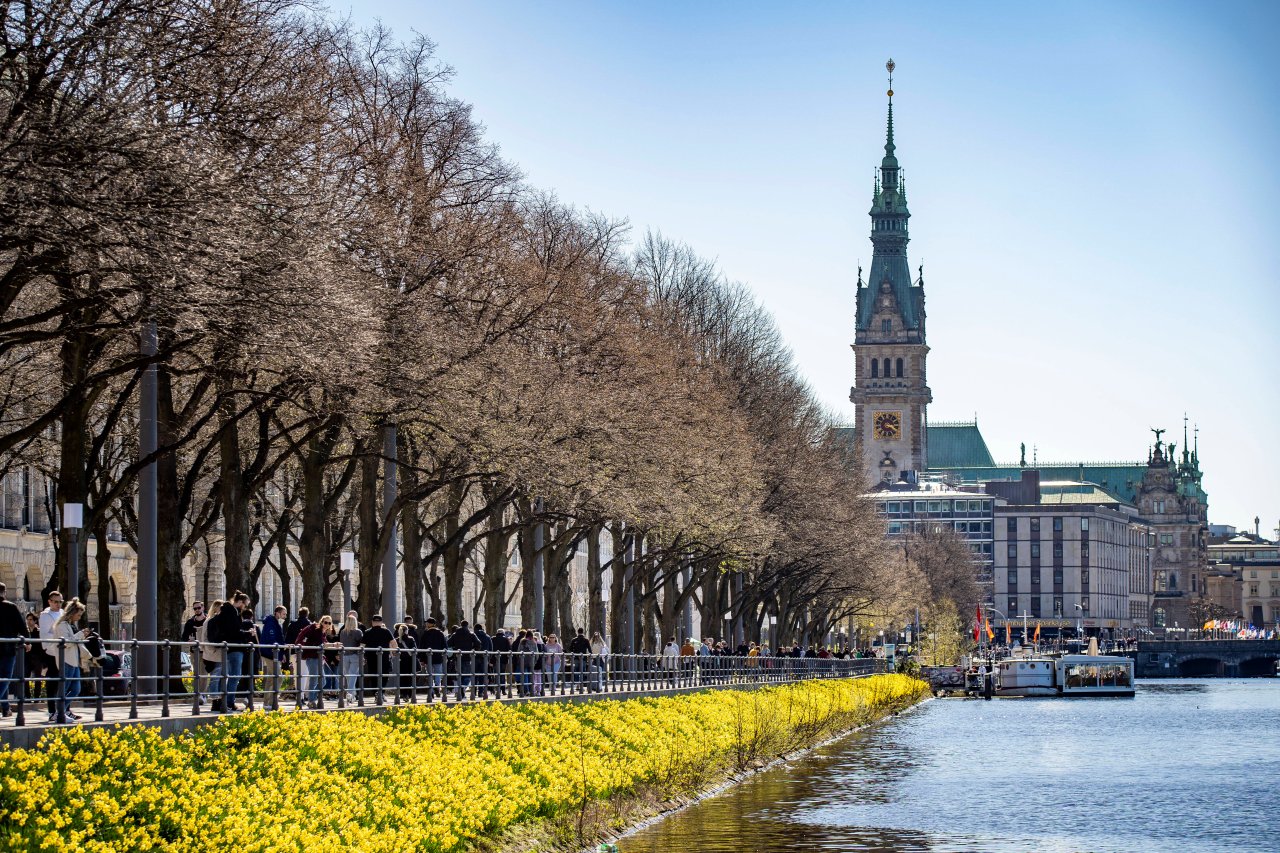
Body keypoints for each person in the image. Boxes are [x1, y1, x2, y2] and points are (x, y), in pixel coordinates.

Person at [51, 598, 89, 723]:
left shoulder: (70, 624)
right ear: (72, 613)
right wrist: (80, 634)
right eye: (78, 615)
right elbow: (67, 642)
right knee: (65, 687)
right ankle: (59, 712)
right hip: (66, 660)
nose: (79, 617)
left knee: (76, 688)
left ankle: (62, 710)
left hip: (73, 660)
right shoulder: (62, 625)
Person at [38, 590, 65, 719]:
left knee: (65, 681)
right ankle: (51, 710)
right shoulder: (45, 615)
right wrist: (59, 637)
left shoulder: (62, 613)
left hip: (64, 651)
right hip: (52, 652)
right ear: (49, 602)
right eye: (55, 602)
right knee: (53, 681)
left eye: (60, 602)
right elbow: (44, 635)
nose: (58, 604)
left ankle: (64, 709)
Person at [0, 583, 25, 717]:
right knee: (5, 677)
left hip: (5, 647)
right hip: (8, 648)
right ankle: (4, 706)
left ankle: (6, 708)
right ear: (4, 592)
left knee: (2, 678)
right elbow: (21, 625)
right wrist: (26, 640)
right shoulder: (10, 607)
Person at [295, 615, 330, 708]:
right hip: (312, 657)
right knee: (314, 680)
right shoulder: (317, 630)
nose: (327, 624)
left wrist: (333, 645)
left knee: (323, 681)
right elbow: (320, 644)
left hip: (318, 658)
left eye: (329, 623)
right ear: (321, 622)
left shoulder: (322, 632)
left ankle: (312, 697)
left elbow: (323, 643)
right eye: (325, 622)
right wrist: (333, 645)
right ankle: (311, 700)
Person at [197, 599, 224, 710]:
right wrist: (210, 650)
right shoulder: (210, 621)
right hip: (214, 653)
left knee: (218, 678)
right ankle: (215, 700)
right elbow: (205, 638)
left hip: (213, 653)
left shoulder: (209, 621)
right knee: (215, 678)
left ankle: (217, 699)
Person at [259, 605, 286, 708]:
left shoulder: (275, 623)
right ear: (277, 613)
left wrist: (281, 653)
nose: (285, 617)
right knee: (278, 677)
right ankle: (271, 701)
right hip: (270, 653)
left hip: (273, 653)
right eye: (283, 614)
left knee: (271, 679)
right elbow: (272, 638)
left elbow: (278, 639)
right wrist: (279, 649)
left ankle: (267, 703)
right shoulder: (271, 622)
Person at [362, 615, 394, 700]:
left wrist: (362, 656)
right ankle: (381, 692)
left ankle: (376, 693)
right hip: (384, 657)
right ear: (381, 622)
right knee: (384, 675)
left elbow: (362, 646)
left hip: (371, 658)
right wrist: (393, 652)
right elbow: (394, 643)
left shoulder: (367, 632)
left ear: (372, 622)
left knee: (373, 675)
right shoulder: (386, 631)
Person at [447, 620, 479, 700]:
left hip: (457, 657)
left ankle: (460, 688)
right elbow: (478, 643)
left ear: (461, 625)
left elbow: (448, 643)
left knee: (459, 675)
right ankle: (463, 688)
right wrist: (473, 649)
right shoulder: (471, 634)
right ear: (467, 625)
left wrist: (455, 647)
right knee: (467, 675)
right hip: (467, 657)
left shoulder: (455, 634)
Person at [419, 618, 447, 698]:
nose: (426, 624)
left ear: (430, 624)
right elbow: (444, 646)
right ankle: (437, 687)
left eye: (427, 623)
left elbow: (422, 646)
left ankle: (431, 689)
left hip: (427, 657)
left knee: (430, 674)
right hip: (438, 656)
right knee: (438, 673)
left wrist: (422, 659)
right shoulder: (440, 633)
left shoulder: (425, 634)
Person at [394, 622, 418, 701]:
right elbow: (415, 649)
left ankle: (402, 693)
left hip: (400, 661)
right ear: (407, 631)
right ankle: (408, 694)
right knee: (409, 677)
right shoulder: (411, 639)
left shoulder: (397, 640)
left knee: (401, 677)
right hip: (409, 660)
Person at [473, 622, 493, 697]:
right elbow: (491, 648)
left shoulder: (474, 635)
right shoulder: (487, 637)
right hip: (484, 657)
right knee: (483, 675)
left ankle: (474, 691)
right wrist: (489, 658)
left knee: (474, 675)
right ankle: (480, 692)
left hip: (474, 657)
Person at [491, 627, 512, 696]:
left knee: (496, 674)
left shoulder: (493, 639)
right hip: (503, 660)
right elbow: (509, 649)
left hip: (494, 659)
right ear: (503, 633)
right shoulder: (506, 639)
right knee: (502, 674)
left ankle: (497, 689)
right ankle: (503, 690)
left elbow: (491, 649)